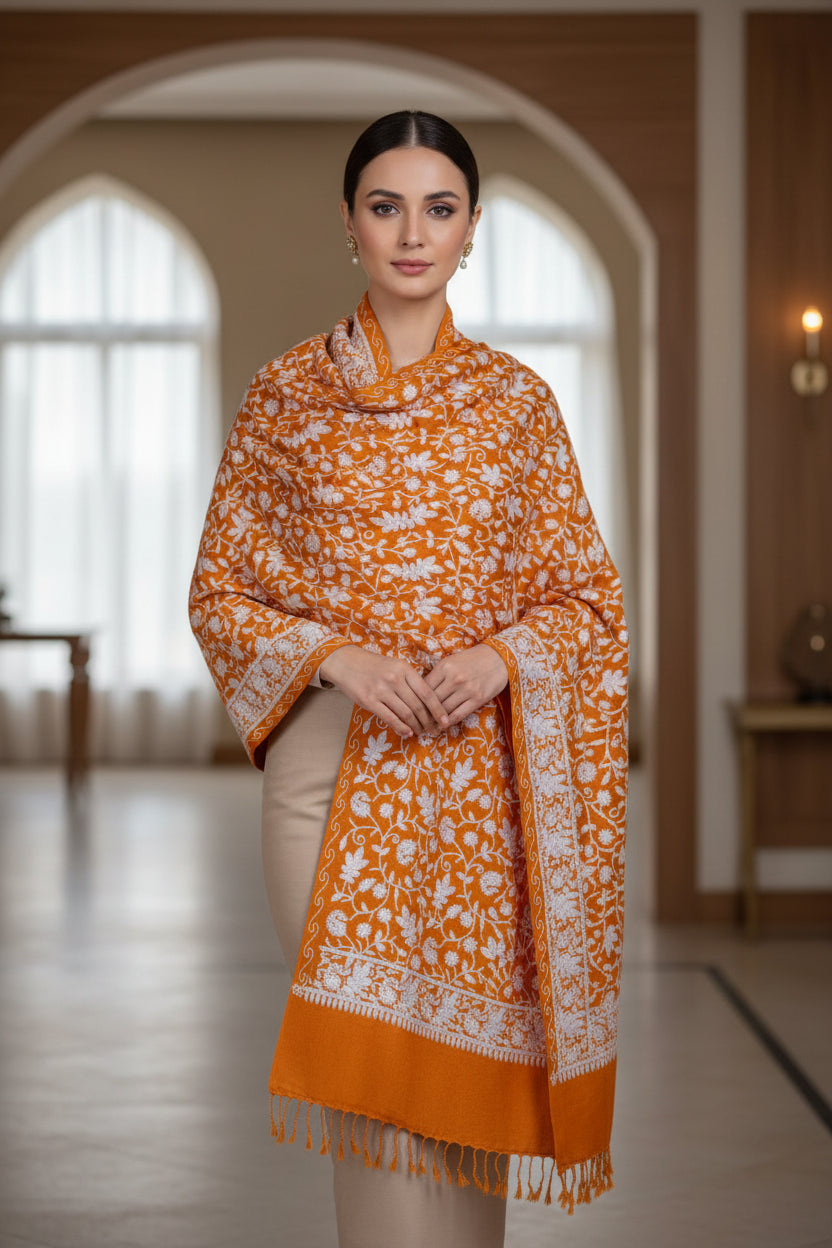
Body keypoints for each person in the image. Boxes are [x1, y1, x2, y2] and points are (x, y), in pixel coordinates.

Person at [188, 110, 629, 1248]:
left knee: (460, 1099)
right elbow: (222, 592)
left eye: (440, 208)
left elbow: (585, 598)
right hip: (330, 785)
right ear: (350, 224)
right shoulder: (288, 399)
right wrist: (343, 659)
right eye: (386, 206)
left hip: (478, 796)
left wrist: (494, 658)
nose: (412, 233)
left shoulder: (516, 407)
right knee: (380, 1090)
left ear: (472, 229)